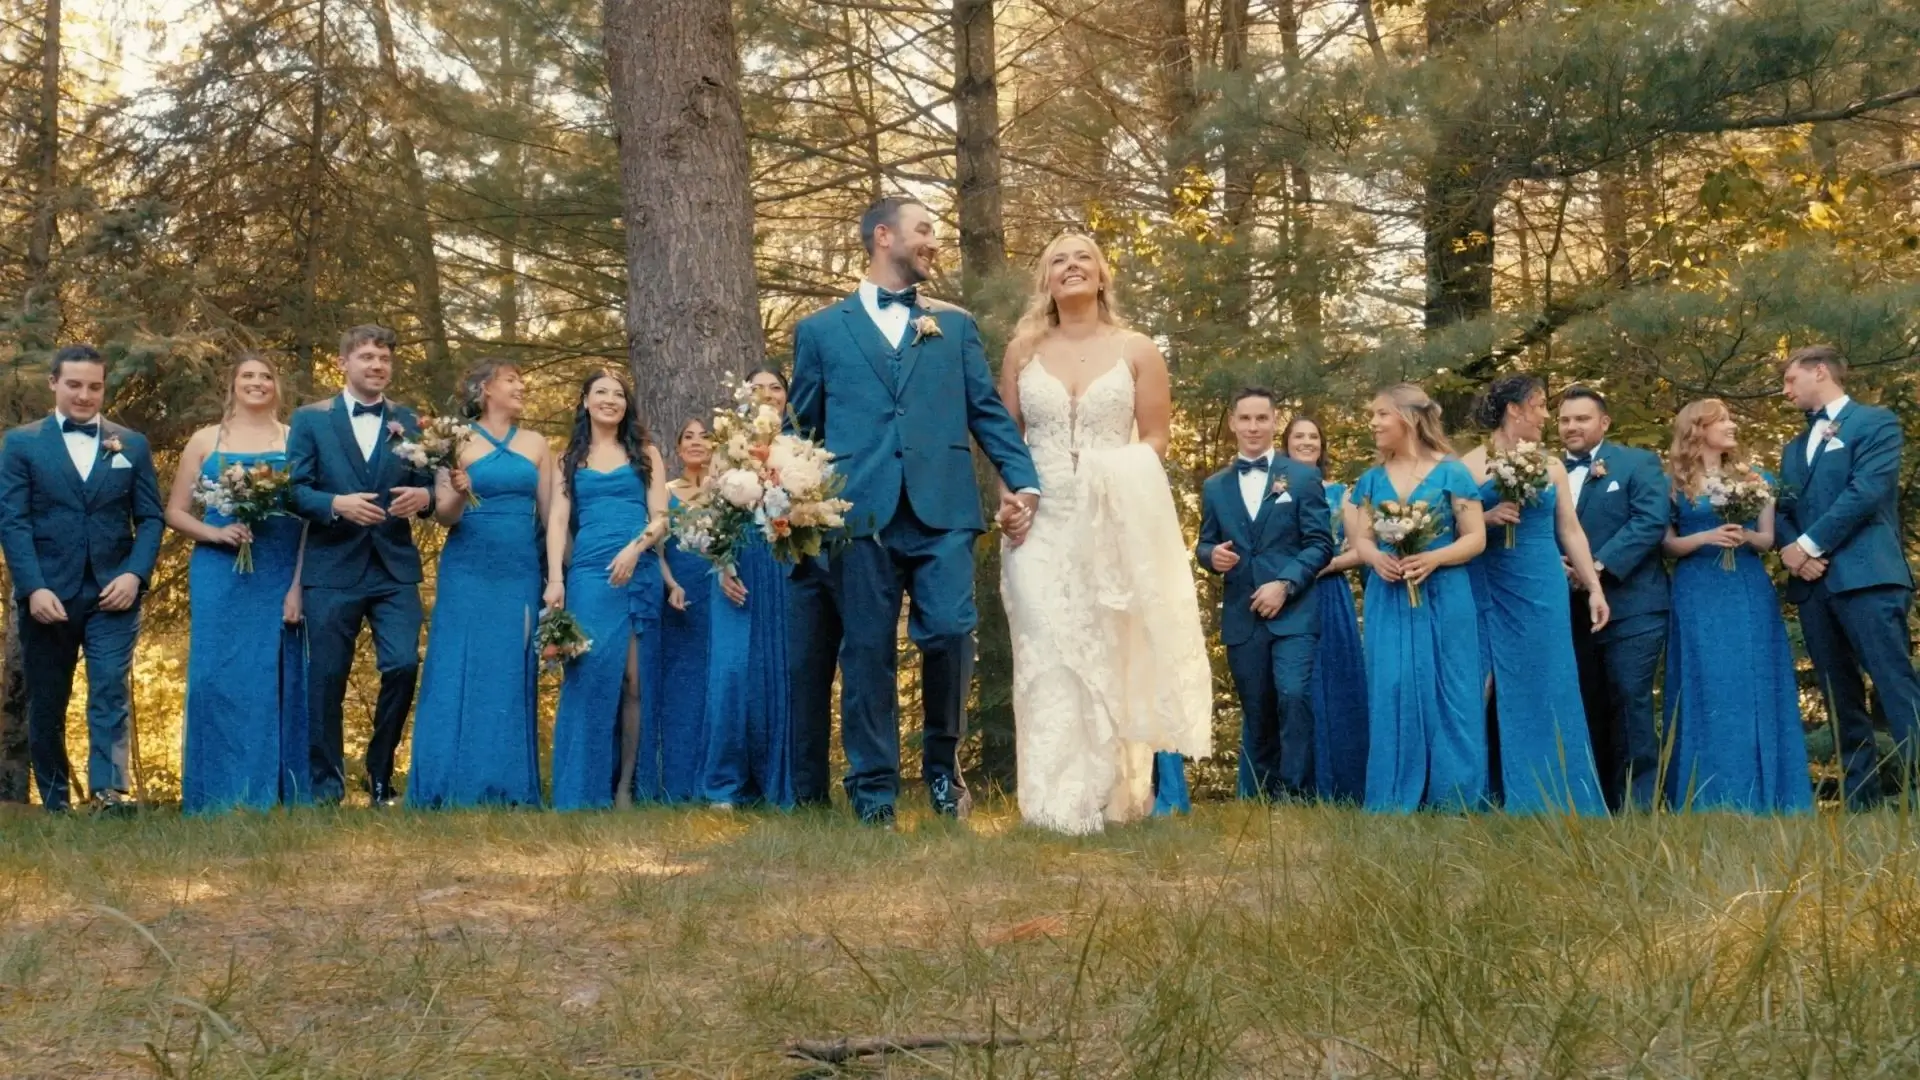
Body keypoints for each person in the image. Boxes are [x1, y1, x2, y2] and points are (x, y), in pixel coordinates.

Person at [788, 196, 1041, 827]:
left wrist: (1024, 480)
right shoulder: (820, 332)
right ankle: (873, 792)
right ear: (883, 237)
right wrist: (790, 499)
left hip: (944, 507)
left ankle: (941, 768)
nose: (934, 241)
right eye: (923, 229)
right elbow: (802, 427)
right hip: (857, 512)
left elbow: (984, 408)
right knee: (867, 651)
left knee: (952, 632)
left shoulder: (953, 326)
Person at [998, 232, 1212, 834]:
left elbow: (1155, 439)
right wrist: (1009, 501)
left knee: (1107, 649)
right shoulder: (1022, 350)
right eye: (1057, 259)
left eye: (1082, 257)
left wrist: (1113, 472)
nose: (1070, 266)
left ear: (1101, 275)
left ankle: (1108, 798)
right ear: (1046, 280)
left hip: (1110, 517)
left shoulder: (1137, 349)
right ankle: (1049, 802)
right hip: (1039, 524)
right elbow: (1004, 440)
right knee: (1045, 647)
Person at [0, 345, 163, 813]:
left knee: (109, 687)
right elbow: (13, 521)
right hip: (48, 593)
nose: (85, 395)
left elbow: (150, 518)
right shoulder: (22, 443)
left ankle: (109, 795)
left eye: (94, 386)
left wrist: (134, 574)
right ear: (54, 383)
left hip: (114, 592)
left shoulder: (130, 444)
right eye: (74, 384)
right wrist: (34, 588)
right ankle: (54, 802)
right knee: (48, 700)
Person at [286, 324, 436, 806]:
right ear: (344, 363)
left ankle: (379, 774)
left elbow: (433, 483)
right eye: (367, 357)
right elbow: (293, 489)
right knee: (326, 677)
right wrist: (336, 504)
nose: (377, 365)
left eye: (384, 359)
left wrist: (425, 496)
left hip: (394, 568)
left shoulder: (409, 420)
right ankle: (326, 787)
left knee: (403, 665)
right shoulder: (310, 420)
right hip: (331, 567)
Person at [1777, 344, 1920, 809]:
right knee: (1840, 697)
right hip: (1815, 588)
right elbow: (1782, 507)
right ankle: (1862, 802)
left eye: (1790, 380)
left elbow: (1866, 491)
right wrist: (1792, 550)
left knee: (1895, 685)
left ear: (1820, 372)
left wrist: (1810, 544)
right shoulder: (1793, 448)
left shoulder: (1875, 423)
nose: (1785, 391)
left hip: (1869, 579)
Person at [166, 353, 309, 813]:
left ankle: (277, 794)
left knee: (275, 675)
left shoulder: (295, 440)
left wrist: (298, 585)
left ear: (277, 387)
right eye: (248, 375)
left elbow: (309, 517)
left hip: (278, 568)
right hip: (219, 571)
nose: (257, 382)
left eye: (266, 376)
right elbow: (175, 511)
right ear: (233, 385)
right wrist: (216, 533)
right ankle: (214, 794)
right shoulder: (206, 440)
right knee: (216, 678)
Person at [1463, 375, 1610, 816]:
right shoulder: (1468, 465)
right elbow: (1449, 528)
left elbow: (1569, 529)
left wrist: (1595, 588)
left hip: (1541, 582)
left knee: (1550, 680)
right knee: (1479, 682)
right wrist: (1485, 517)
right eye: (1541, 405)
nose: (1548, 416)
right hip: (1487, 582)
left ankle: (1553, 793)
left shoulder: (1551, 466)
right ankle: (1471, 791)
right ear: (1515, 409)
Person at [407, 360, 552, 808]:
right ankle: (447, 785)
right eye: (512, 380)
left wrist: (559, 576)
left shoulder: (537, 444)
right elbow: (446, 515)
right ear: (486, 389)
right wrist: (455, 489)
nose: (521, 386)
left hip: (519, 566)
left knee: (510, 668)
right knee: (458, 666)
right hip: (468, 565)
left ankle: (507, 787)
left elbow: (551, 516)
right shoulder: (454, 439)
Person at [1661, 399, 1812, 814]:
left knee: (1751, 681)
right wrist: (1707, 538)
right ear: (1697, 428)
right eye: (1721, 420)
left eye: (1730, 418)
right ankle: (1706, 796)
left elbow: (1767, 539)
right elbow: (1668, 544)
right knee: (1706, 682)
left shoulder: (1755, 477)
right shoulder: (1672, 482)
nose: (1731, 425)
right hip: (1697, 589)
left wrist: (1744, 537)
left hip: (1745, 587)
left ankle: (1768, 796)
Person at [1343, 383, 1488, 813]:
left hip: (1445, 592)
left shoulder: (1452, 473)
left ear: (1407, 418)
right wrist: (1374, 560)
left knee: (1452, 688)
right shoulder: (1371, 479)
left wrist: (1434, 558)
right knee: (1393, 686)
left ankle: (1454, 796)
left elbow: (1476, 537)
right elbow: (1363, 539)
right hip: (1390, 595)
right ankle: (1393, 795)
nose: (1373, 423)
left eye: (1380, 414)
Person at [1197, 391, 1335, 803]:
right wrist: (1211, 556)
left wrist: (1285, 584)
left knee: (1293, 695)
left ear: (1275, 421)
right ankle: (1260, 799)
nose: (1253, 427)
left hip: (1293, 612)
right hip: (1243, 615)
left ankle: (1295, 795)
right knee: (1257, 710)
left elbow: (1319, 544)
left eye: (1262, 418)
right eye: (1245, 419)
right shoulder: (1215, 486)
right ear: (1234, 424)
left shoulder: (1301, 477)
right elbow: (1205, 543)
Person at [545, 368, 671, 811]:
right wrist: (556, 580)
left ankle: (626, 787)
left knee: (635, 683)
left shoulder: (647, 454)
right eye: (601, 392)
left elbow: (661, 518)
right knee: (593, 676)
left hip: (637, 569)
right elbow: (558, 520)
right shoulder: (569, 459)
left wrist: (636, 550)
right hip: (587, 575)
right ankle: (583, 788)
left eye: (618, 394)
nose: (610, 400)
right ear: (585, 401)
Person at [1558, 386, 1671, 812]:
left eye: (1582, 419)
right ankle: (1596, 804)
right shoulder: (1545, 471)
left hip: (1633, 605)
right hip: (1567, 608)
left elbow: (1650, 520)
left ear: (1604, 423)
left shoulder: (1636, 462)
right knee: (1586, 700)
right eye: (1566, 419)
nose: (1572, 426)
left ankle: (1639, 806)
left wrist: (1596, 568)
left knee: (1631, 697)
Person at [701, 367, 796, 809]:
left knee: (780, 671)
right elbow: (711, 516)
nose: (768, 394)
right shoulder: (727, 450)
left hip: (785, 564)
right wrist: (722, 564)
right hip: (736, 567)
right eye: (759, 387)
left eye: (776, 387)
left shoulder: (800, 448)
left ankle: (781, 783)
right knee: (733, 672)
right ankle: (726, 783)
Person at [1280, 413, 1370, 803]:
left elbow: (1360, 550)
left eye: (1313, 436)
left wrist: (1325, 565)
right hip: (1284, 595)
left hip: (1329, 594)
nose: (1306, 442)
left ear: (1322, 445)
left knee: (1334, 682)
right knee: (1292, 687)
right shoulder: (1273, 490)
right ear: (1284, 444)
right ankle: (1293, 782)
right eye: (1298, 436)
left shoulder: (1341, 493)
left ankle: (1342, 784)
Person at [639, 418, 712, 803]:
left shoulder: (728, 492)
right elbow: (658, 550)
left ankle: (716, 781)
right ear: (678, 448)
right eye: (688, 437)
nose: (696, 442)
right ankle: (676, 783)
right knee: (680, 689)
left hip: (721, 596)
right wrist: (670, 584)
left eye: (705, 436)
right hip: (678, 599)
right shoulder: (664, 494)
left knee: (717, 685)